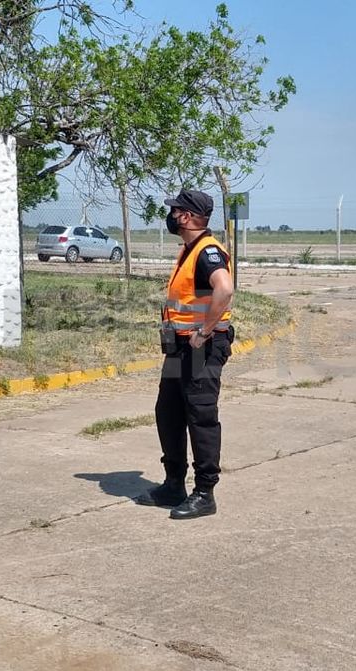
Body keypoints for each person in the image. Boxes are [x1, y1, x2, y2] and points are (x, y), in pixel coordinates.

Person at [139, 189, 235, 519]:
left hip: (202, 349)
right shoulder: (189, 250)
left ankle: (205, 493)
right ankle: (173, 484)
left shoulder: (208, 251)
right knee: (168, 412)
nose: (171, 214)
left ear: (188, 217)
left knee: (200, 416)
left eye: (176, 210)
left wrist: (205, 331)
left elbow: (225, 289)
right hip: (179, 348)